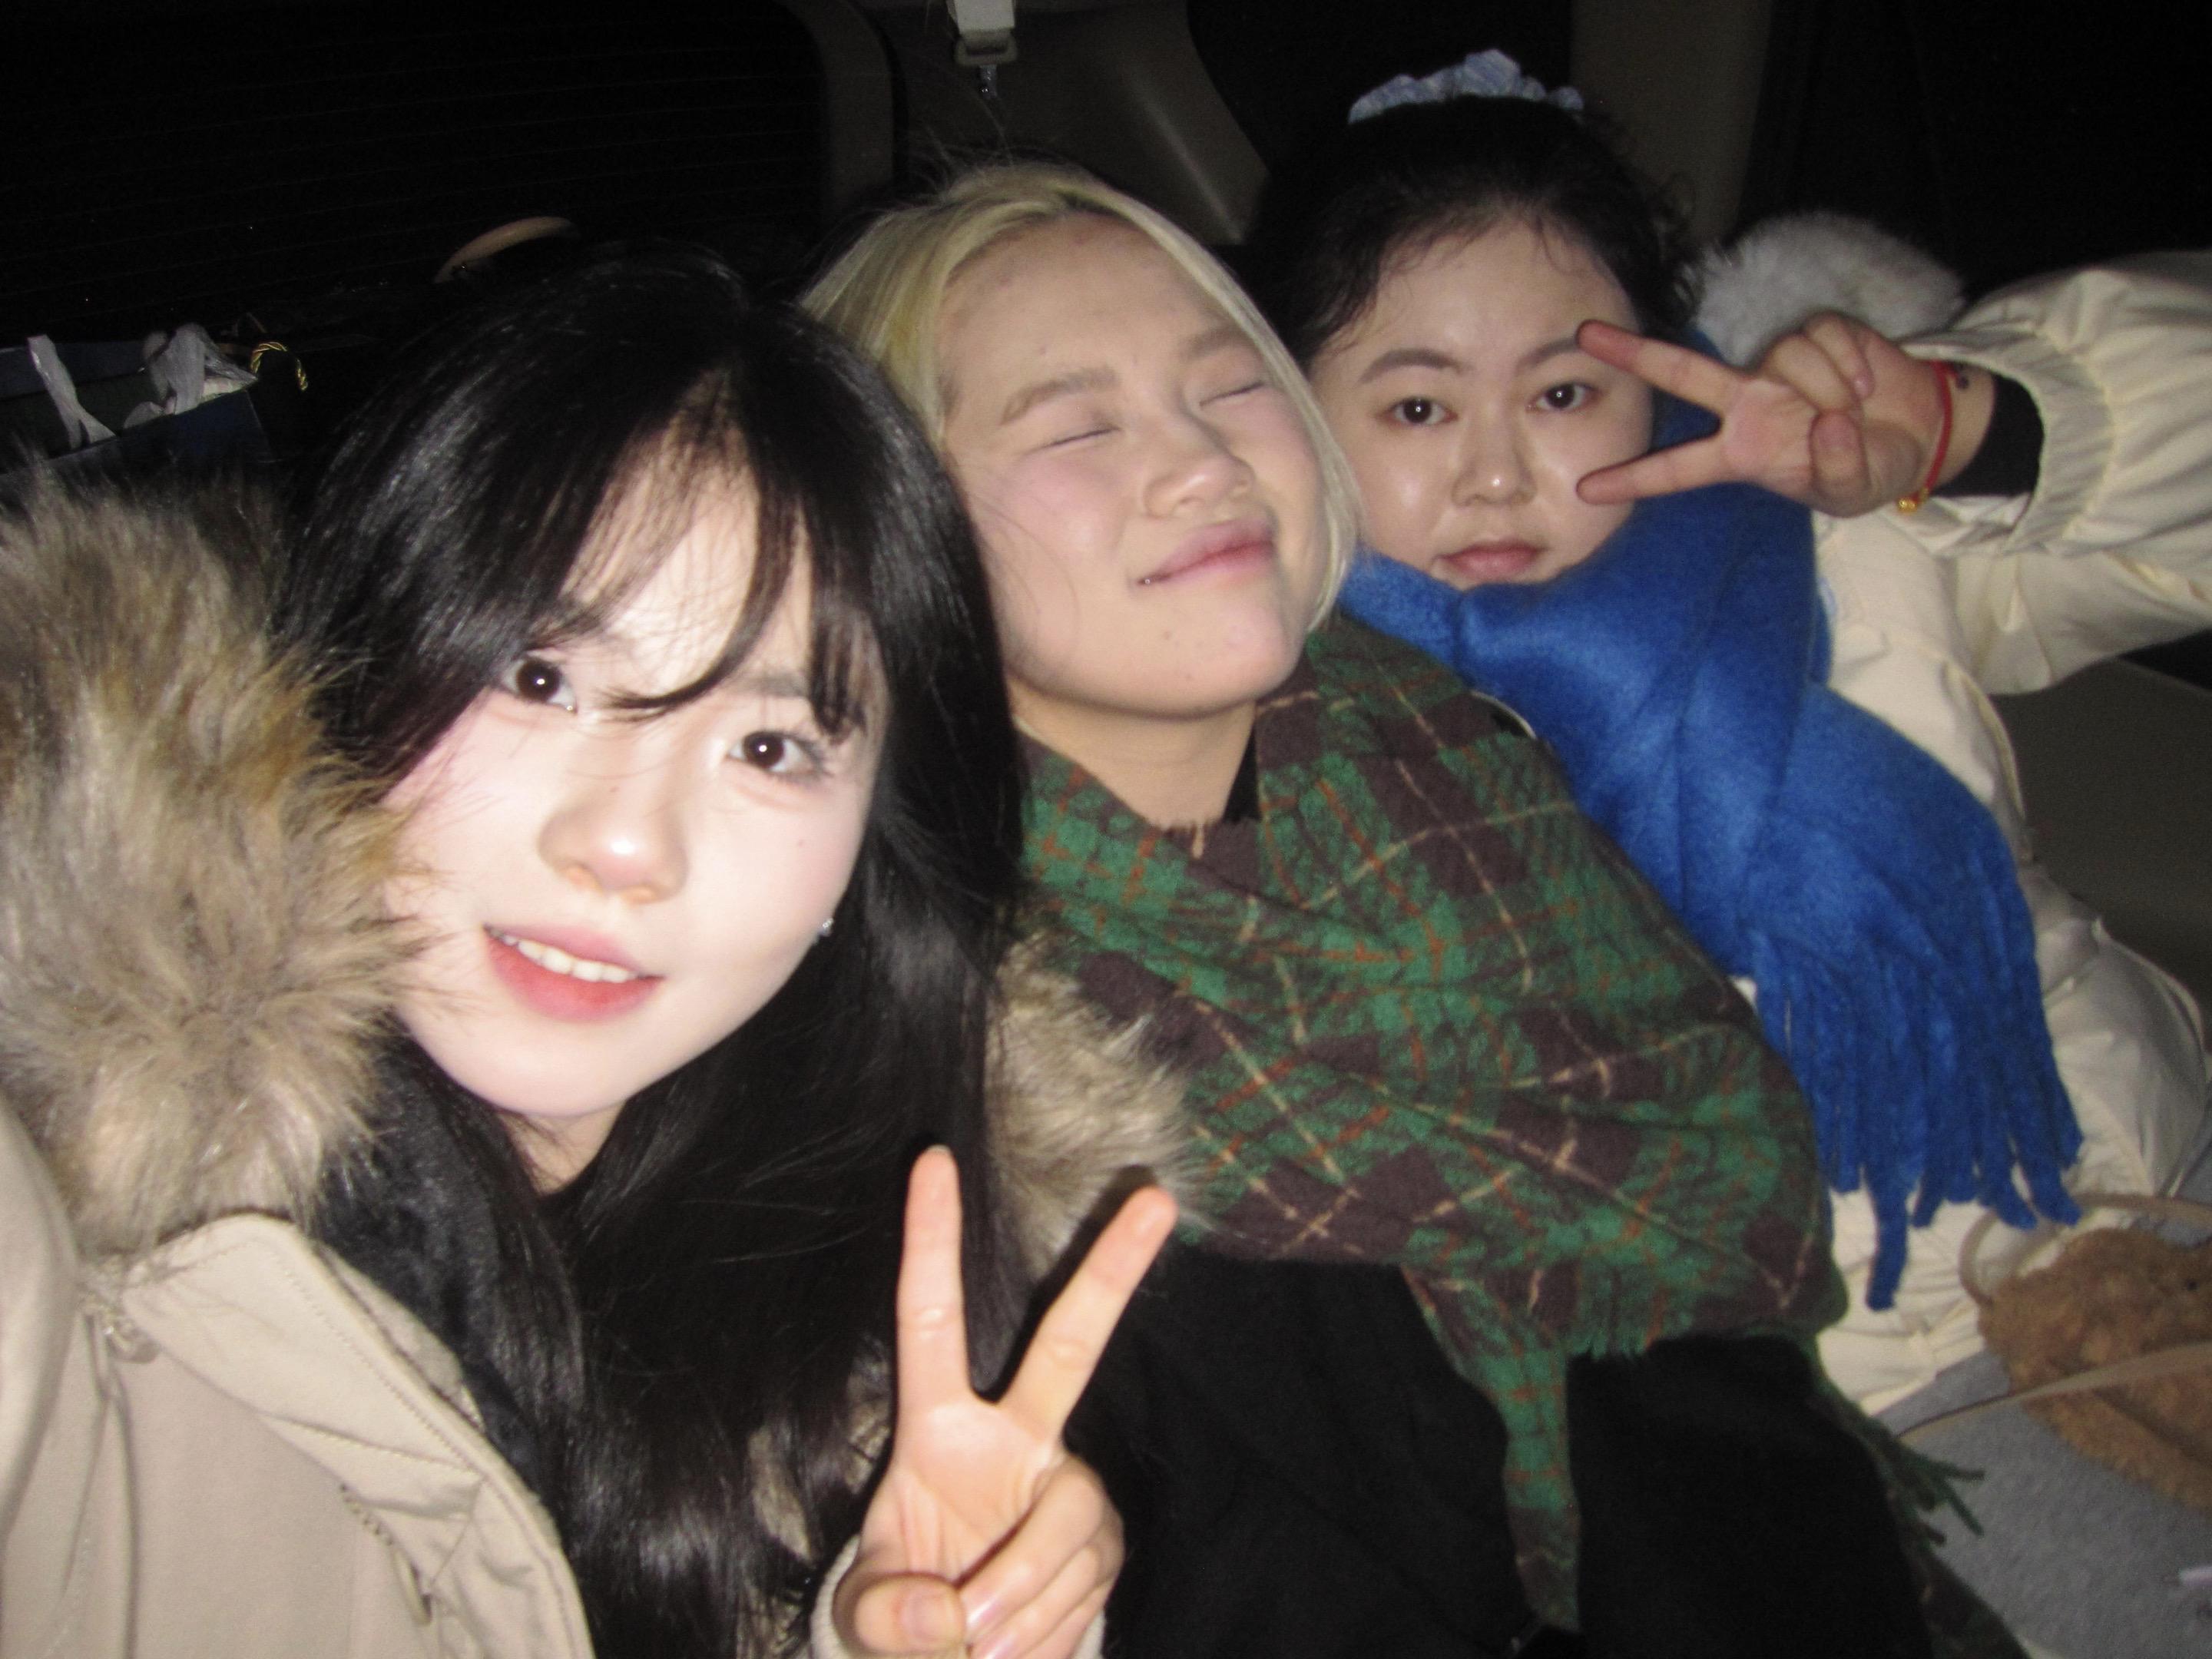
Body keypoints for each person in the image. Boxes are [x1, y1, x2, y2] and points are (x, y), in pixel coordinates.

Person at [806, 166, 2023, 1657]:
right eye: (1078, 426)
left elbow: (1718, 1394)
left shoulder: (1455, 754)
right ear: (889, 531)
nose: (1204, 463)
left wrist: (1968, 424)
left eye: (1230, 386)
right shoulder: (926, 1042)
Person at [0, 249, 1185, 1659]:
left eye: (770, 748)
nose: (627, 845)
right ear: (340, 664)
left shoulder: (867, 1341)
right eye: (542, 678)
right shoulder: (76, 1189)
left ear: (869, 853)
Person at [1249, 75, 2212, 1409]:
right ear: (1293, 420)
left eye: (1565, 392)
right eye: (1419, 409)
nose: (1497, 474)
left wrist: (1968, 425)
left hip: (2122, 1197)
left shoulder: (1826, 523)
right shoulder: (1275, 707)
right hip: (1772, 1398)